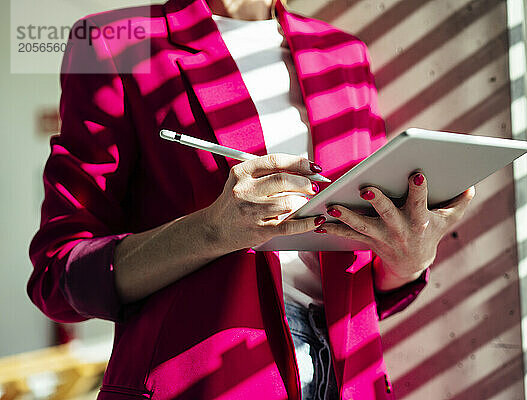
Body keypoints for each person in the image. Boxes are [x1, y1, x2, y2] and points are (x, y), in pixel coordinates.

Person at [27, 0, 475, 399]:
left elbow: (364, 269)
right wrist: (213, 231)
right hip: (203, 379)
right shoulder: (110, 41)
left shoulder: (344, 54)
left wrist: (410, 256)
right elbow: (59, 273)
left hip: (351, 377)